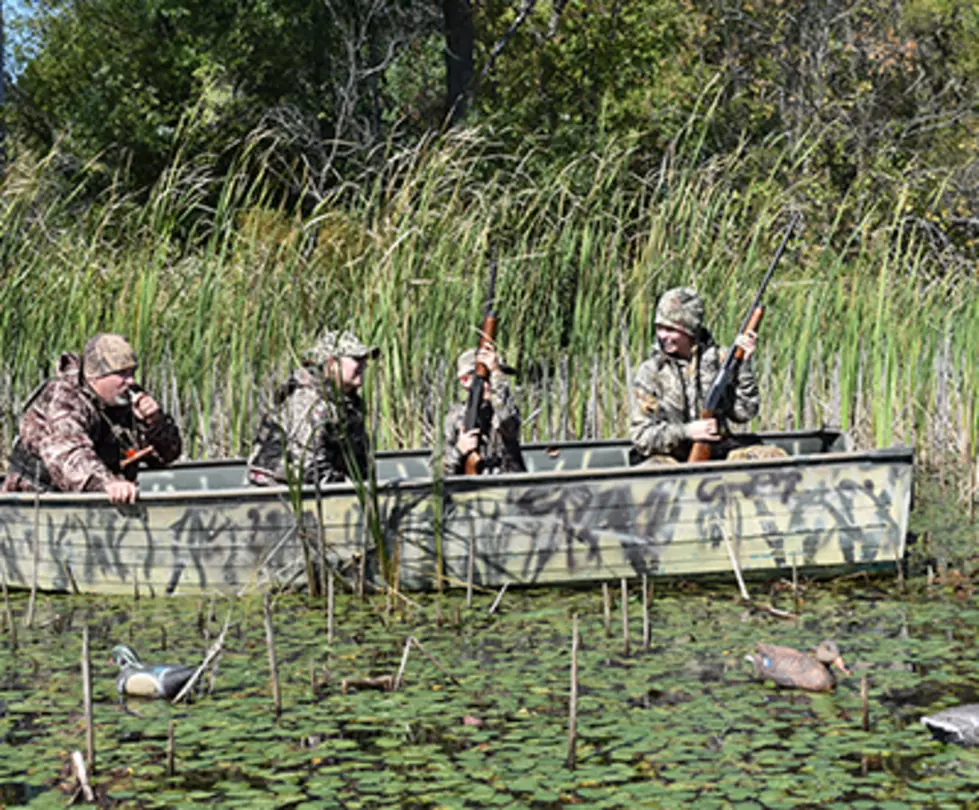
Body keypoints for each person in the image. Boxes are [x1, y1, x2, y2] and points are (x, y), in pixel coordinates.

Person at [3, 333, 182, 504]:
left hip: (100, 502)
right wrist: (108, 484)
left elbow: (166, 456)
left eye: (132, 372)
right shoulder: (65, 398)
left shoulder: (125, 398)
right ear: (95, 377)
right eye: (122, 374)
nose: (131, 381)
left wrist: (154, 422)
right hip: (39, 497)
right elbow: (69, 455)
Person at [630, 286, 763, 463]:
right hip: (669, 457)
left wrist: (744, 366)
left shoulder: (721, 359)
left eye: (671, 330)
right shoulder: (651, 372)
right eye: (659, 328)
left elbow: (744, 412)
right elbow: (642, 437)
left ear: (690, 331)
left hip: (716, 453)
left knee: (766, 455)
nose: (663, 336)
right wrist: (688, 431)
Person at [248, 329, 378, 487]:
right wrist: (348, 488)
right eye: (357, 359)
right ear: (332, 363)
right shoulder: (308, 400)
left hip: (321, 488)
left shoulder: (348, 403)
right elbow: (306, 465)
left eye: (365, 359)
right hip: (281, 492)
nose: (364, 365)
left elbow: (359, 460)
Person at [441, 345, 525, 475]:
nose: (492, 384)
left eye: (495, 378)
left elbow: (508, 423)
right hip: (468, 492)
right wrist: (459, 450)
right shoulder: (453, 418)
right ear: (465, 380)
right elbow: (438, 474)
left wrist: (497, 373)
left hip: (509, 490)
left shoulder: (504, 410)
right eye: (488, 377)